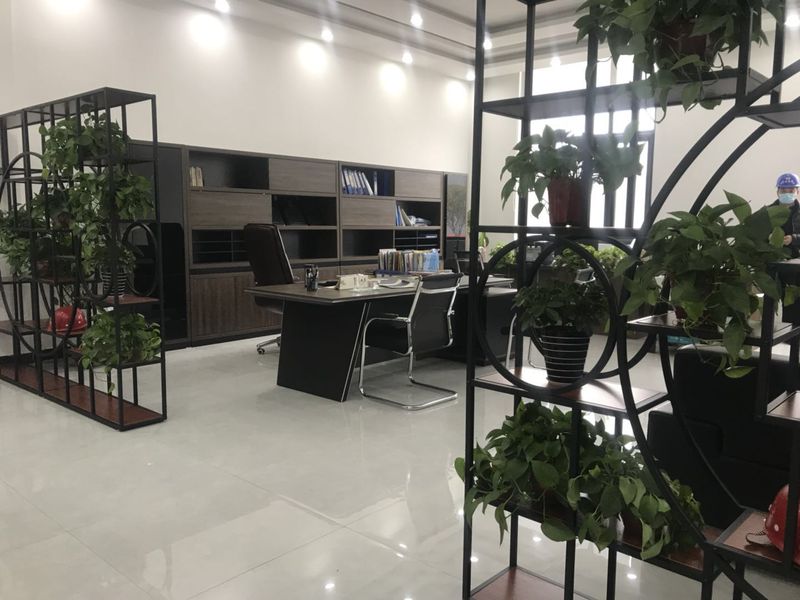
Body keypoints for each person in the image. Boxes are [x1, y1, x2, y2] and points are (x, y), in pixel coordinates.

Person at [773, 172, 800, 258]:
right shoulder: (768, 212)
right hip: (772, 258)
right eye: (783, 191)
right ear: (778, 192)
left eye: (791, 191)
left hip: (796, 259)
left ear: (797, 192)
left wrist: (793, 239)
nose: (787, 194)